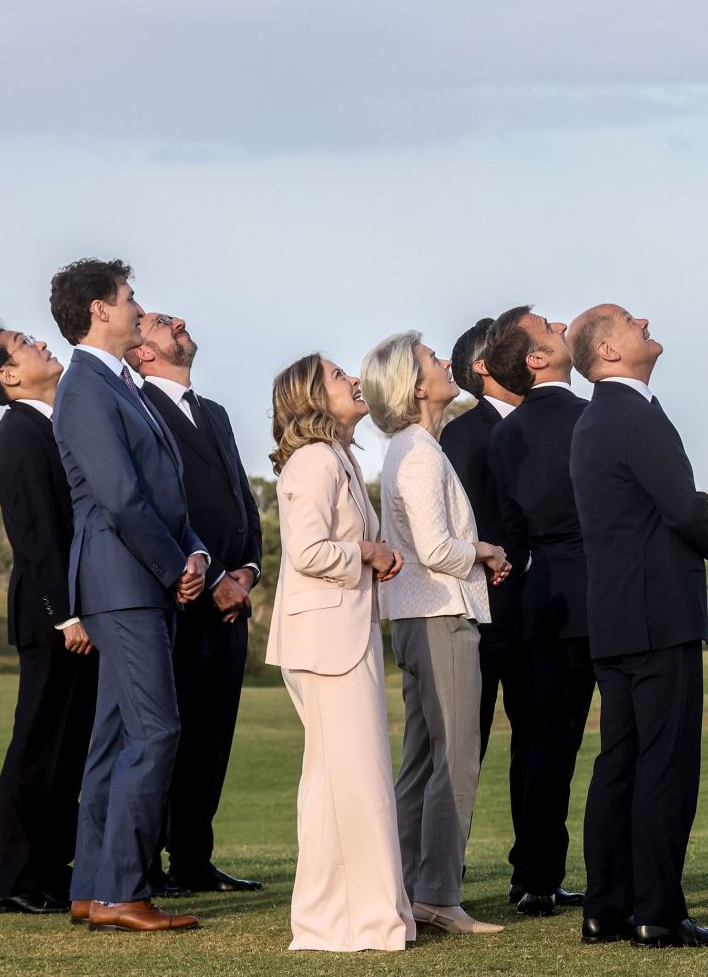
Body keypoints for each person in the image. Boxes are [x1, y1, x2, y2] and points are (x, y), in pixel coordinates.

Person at [48, 258, 210, 934]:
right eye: (129, 296)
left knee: (116, 736)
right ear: (99, 310)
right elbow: (118, 495)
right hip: (123, 581)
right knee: (156, 730)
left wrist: (195, 552)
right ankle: (121, 890)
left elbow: (163, 488)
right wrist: (175, 565)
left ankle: (92, 885)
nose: (138, 305)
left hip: (138, 577)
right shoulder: (86, 385)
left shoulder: (121, 383)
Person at [567, 304, 708, 949]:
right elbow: (679, 502)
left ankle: (606, 907)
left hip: (613, 617)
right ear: (607, 352)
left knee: (621, 764)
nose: (644, 321)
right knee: (664, 765)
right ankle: (657, 911)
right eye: (628, 320)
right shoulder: (633, 412)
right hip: (658, 615)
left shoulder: (594, 420)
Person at [361, 332, 510, 936]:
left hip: (419, 617)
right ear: (417, 387)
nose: (444, 364)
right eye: (431, 362)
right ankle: (438, 896)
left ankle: (402, 889)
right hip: (440, 615)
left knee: (423, 759)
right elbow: (436, 550)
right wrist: (487, 550)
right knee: (456, 761)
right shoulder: (420, 453)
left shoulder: (410, 448)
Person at [265, 353, 415, 952]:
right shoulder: (313, 460)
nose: (353, 378)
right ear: (311, 398)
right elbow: (308, 553)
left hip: (345, 635)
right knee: (344, 781)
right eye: (335, 375)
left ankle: (362, 918)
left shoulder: (340, 459)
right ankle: (345, 922)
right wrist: (371, 555)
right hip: (326, 642)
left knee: (351, 780)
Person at [128, 310, 264, 896]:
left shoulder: (215, 413)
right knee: (169, 733)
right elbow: (156, 506)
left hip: (233, 600)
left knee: (214, 733)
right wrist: (211, 580)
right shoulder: (137, 410)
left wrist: (249, 570)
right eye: (162, 322)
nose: (179, 323)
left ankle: (192, 858)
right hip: (177, 600)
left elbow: (241, 496)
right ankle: (144, 864)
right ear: (142, 353)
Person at [0, 323, 98, 916]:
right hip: (54, 621)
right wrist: (66, 615)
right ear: (8, 375)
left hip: (79, 617)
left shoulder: (57, 424)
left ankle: (48, 872)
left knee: (68, 752)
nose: (44, 344)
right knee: (38, 749)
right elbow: (36, 537)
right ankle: (11, 882)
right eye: (26, 343)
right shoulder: (18, 435)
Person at [483, 305, 590, 915]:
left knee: (545, 744)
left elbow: (510, 535)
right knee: (621, 741)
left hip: (541, 601)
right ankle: (619, 871)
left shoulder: (506, 434)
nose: (563, 330)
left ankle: (536, 878)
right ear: (536, 359)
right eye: (552, 329)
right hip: (604, 594)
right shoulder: (594, 419)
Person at [438, 318, 532, 899]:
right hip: (482, 609)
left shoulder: (550, 424)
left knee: (540, 744)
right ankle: (443, 870)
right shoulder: (462, 435)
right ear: (485, 364)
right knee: (463, 744)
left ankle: (535, 875)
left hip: (543, 615)